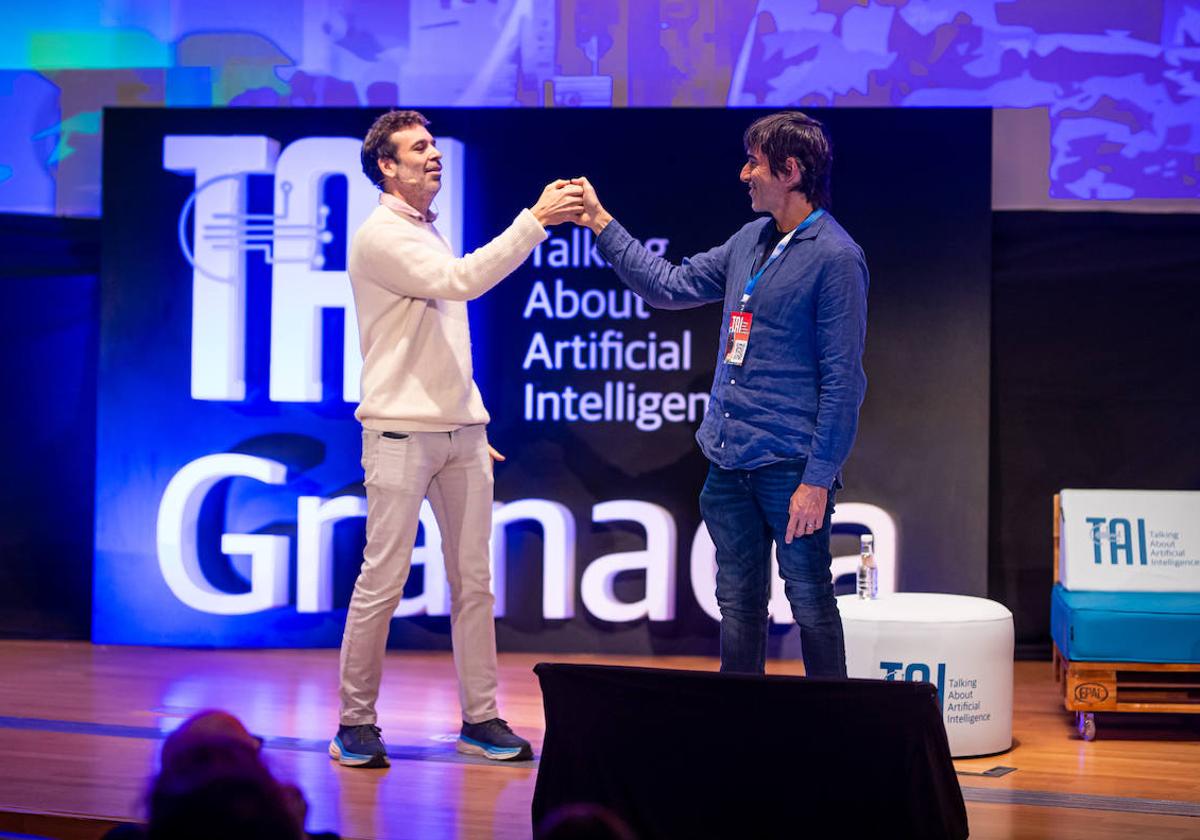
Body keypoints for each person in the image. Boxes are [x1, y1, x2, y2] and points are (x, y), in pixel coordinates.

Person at [573, 111, 868, 677]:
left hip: (790, 467)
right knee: (737, 605)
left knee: (809, 602)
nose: (743, 174)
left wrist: (817, 480)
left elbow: (843, 381)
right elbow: (668, 286)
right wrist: (600, 222)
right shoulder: (750, 240)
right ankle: (742, 730)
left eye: (753, 162)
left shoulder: (835, 257)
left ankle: (835, 735)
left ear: (790, 170)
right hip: (728, 462)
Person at [331, 109, 583, 768]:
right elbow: (462, 283)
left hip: (460, 436)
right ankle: (354, 722)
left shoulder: (424, 229)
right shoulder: (381, 235)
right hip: (399, 436)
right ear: (386, 165)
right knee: (382, 583)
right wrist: (535, 219)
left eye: (435, 146)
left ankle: (481, 717)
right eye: (418, 148)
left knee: (474, 584)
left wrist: (467, 418)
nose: (433, 155)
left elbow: (440, 339)